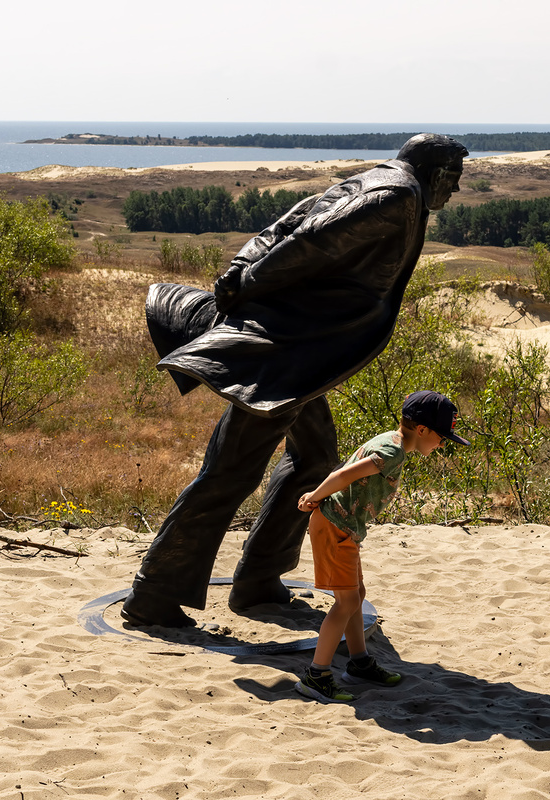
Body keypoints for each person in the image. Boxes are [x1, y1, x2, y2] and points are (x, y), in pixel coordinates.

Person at [121, 134, 469, 628]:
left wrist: (243, 265)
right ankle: (154, 593)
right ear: (436, 172)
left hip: (304, 357)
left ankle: (259, 579)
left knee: (316, 458)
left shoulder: (373, 180)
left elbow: (285, 223)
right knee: (230, 473)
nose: (454, 190)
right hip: (283, 354)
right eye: (453, 178)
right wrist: (246, 280)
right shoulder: (398, 195)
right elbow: (310, 241)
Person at [294, 390, 469, 703]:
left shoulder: (393, 442)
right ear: (423, 430)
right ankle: (316, 676)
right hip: (334, 525)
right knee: (346, 603)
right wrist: (315, 497)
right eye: (441, 437)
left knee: (356, 596)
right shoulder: (393, 451)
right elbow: (343, 474)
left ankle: (359, 664)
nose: (442, 444)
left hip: (345, 528)